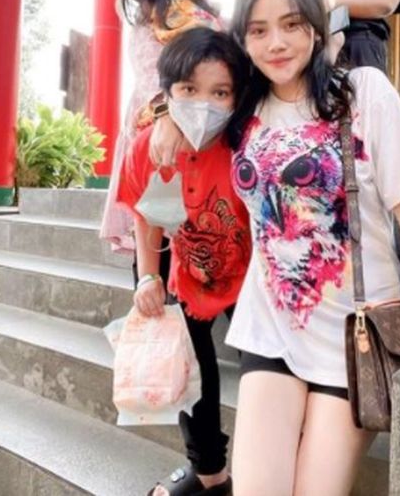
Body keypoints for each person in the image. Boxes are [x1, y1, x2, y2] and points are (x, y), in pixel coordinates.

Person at [151, 0, 400, 495]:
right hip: (271, 326)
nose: (276, 43)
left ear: (316, 27)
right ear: (244, 39)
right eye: (259, 29)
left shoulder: (361, 93)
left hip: (354, 334)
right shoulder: (242, 107)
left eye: (291, 24)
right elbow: (190, 80)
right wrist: (164, 113)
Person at [118, 28, 250, 496]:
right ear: (168, 90)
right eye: (189, 90)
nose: (203, 105)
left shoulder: (247, 141)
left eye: (220, 93)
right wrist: (147, 277)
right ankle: (210, 474)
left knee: (265, 371)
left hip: (250, 278)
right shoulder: (150, 147)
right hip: (187, 272)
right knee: (190, 370)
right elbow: (147, 214)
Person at [99, 0, 222, 255]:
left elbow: (153, 78)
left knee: (157, 217)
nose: (140, 5)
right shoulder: (191, 13)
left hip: (163, 123)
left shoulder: (165, 18)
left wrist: (165, 111)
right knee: (163, 221)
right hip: (179, 122)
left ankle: (151, 275)